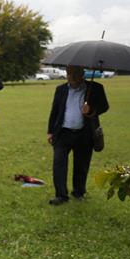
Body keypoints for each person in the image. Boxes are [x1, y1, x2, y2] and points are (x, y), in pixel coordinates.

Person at [46, 65, 109, 205]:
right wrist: (50, 131)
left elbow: (105, 106)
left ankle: (79, 192)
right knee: (59, 164)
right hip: (62, 133)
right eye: (69, 73)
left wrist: (91, 108)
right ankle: (61, 195)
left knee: (81, 164)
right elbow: (54, 111)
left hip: (84, 133)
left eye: (75, 73)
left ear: (82, 73)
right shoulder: (61, 89)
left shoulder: (95, 88)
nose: (72, 77)